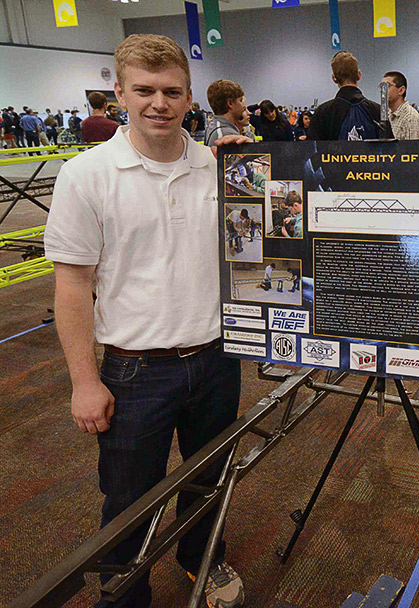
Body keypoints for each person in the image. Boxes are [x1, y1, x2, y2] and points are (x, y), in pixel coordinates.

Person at [43, 33, 248, 608]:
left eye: (172, 92)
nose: (159, 103)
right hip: (135, 371)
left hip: (218, 358)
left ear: (189, 98)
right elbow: (72, 287)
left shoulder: (221, 167)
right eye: (145, 91)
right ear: (120, 93)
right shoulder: (85, 175)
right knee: (129, 498)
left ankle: (202, 560)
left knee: (209, 480)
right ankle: (125, 593)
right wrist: (84, 381)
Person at [309, 51, 391, 141]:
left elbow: (312, 147)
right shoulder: (378, 111)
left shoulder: (322, 113)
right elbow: (391, 147)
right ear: (359, 75)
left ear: (334, 78)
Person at [205, 78, 250, 146]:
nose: (243, 106)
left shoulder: (214, 125)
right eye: (240, 100)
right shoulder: (226, 135)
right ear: (230, 104)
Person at [382, 71, 419, 140]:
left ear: (401, 90)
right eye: (381, 86)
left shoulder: (410, 118)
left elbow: (414, 146)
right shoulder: (388, 115)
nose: (382, 91)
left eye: (387, 86)